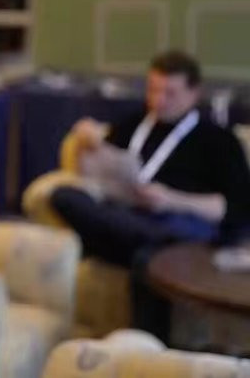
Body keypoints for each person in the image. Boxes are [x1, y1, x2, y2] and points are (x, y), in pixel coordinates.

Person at [50, 50, 250, 340]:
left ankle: (143, 350)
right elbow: (97, 170)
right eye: (153, 90)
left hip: (183, 222)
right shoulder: (135, 124)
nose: (159, 100)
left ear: (194, 93)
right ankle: (148, 242)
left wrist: (171, 199)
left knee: (148, 262)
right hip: (129, 215)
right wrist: (88, 142)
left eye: (170, 93)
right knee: (63, 195)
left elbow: (230, 208)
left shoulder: (219, 140)